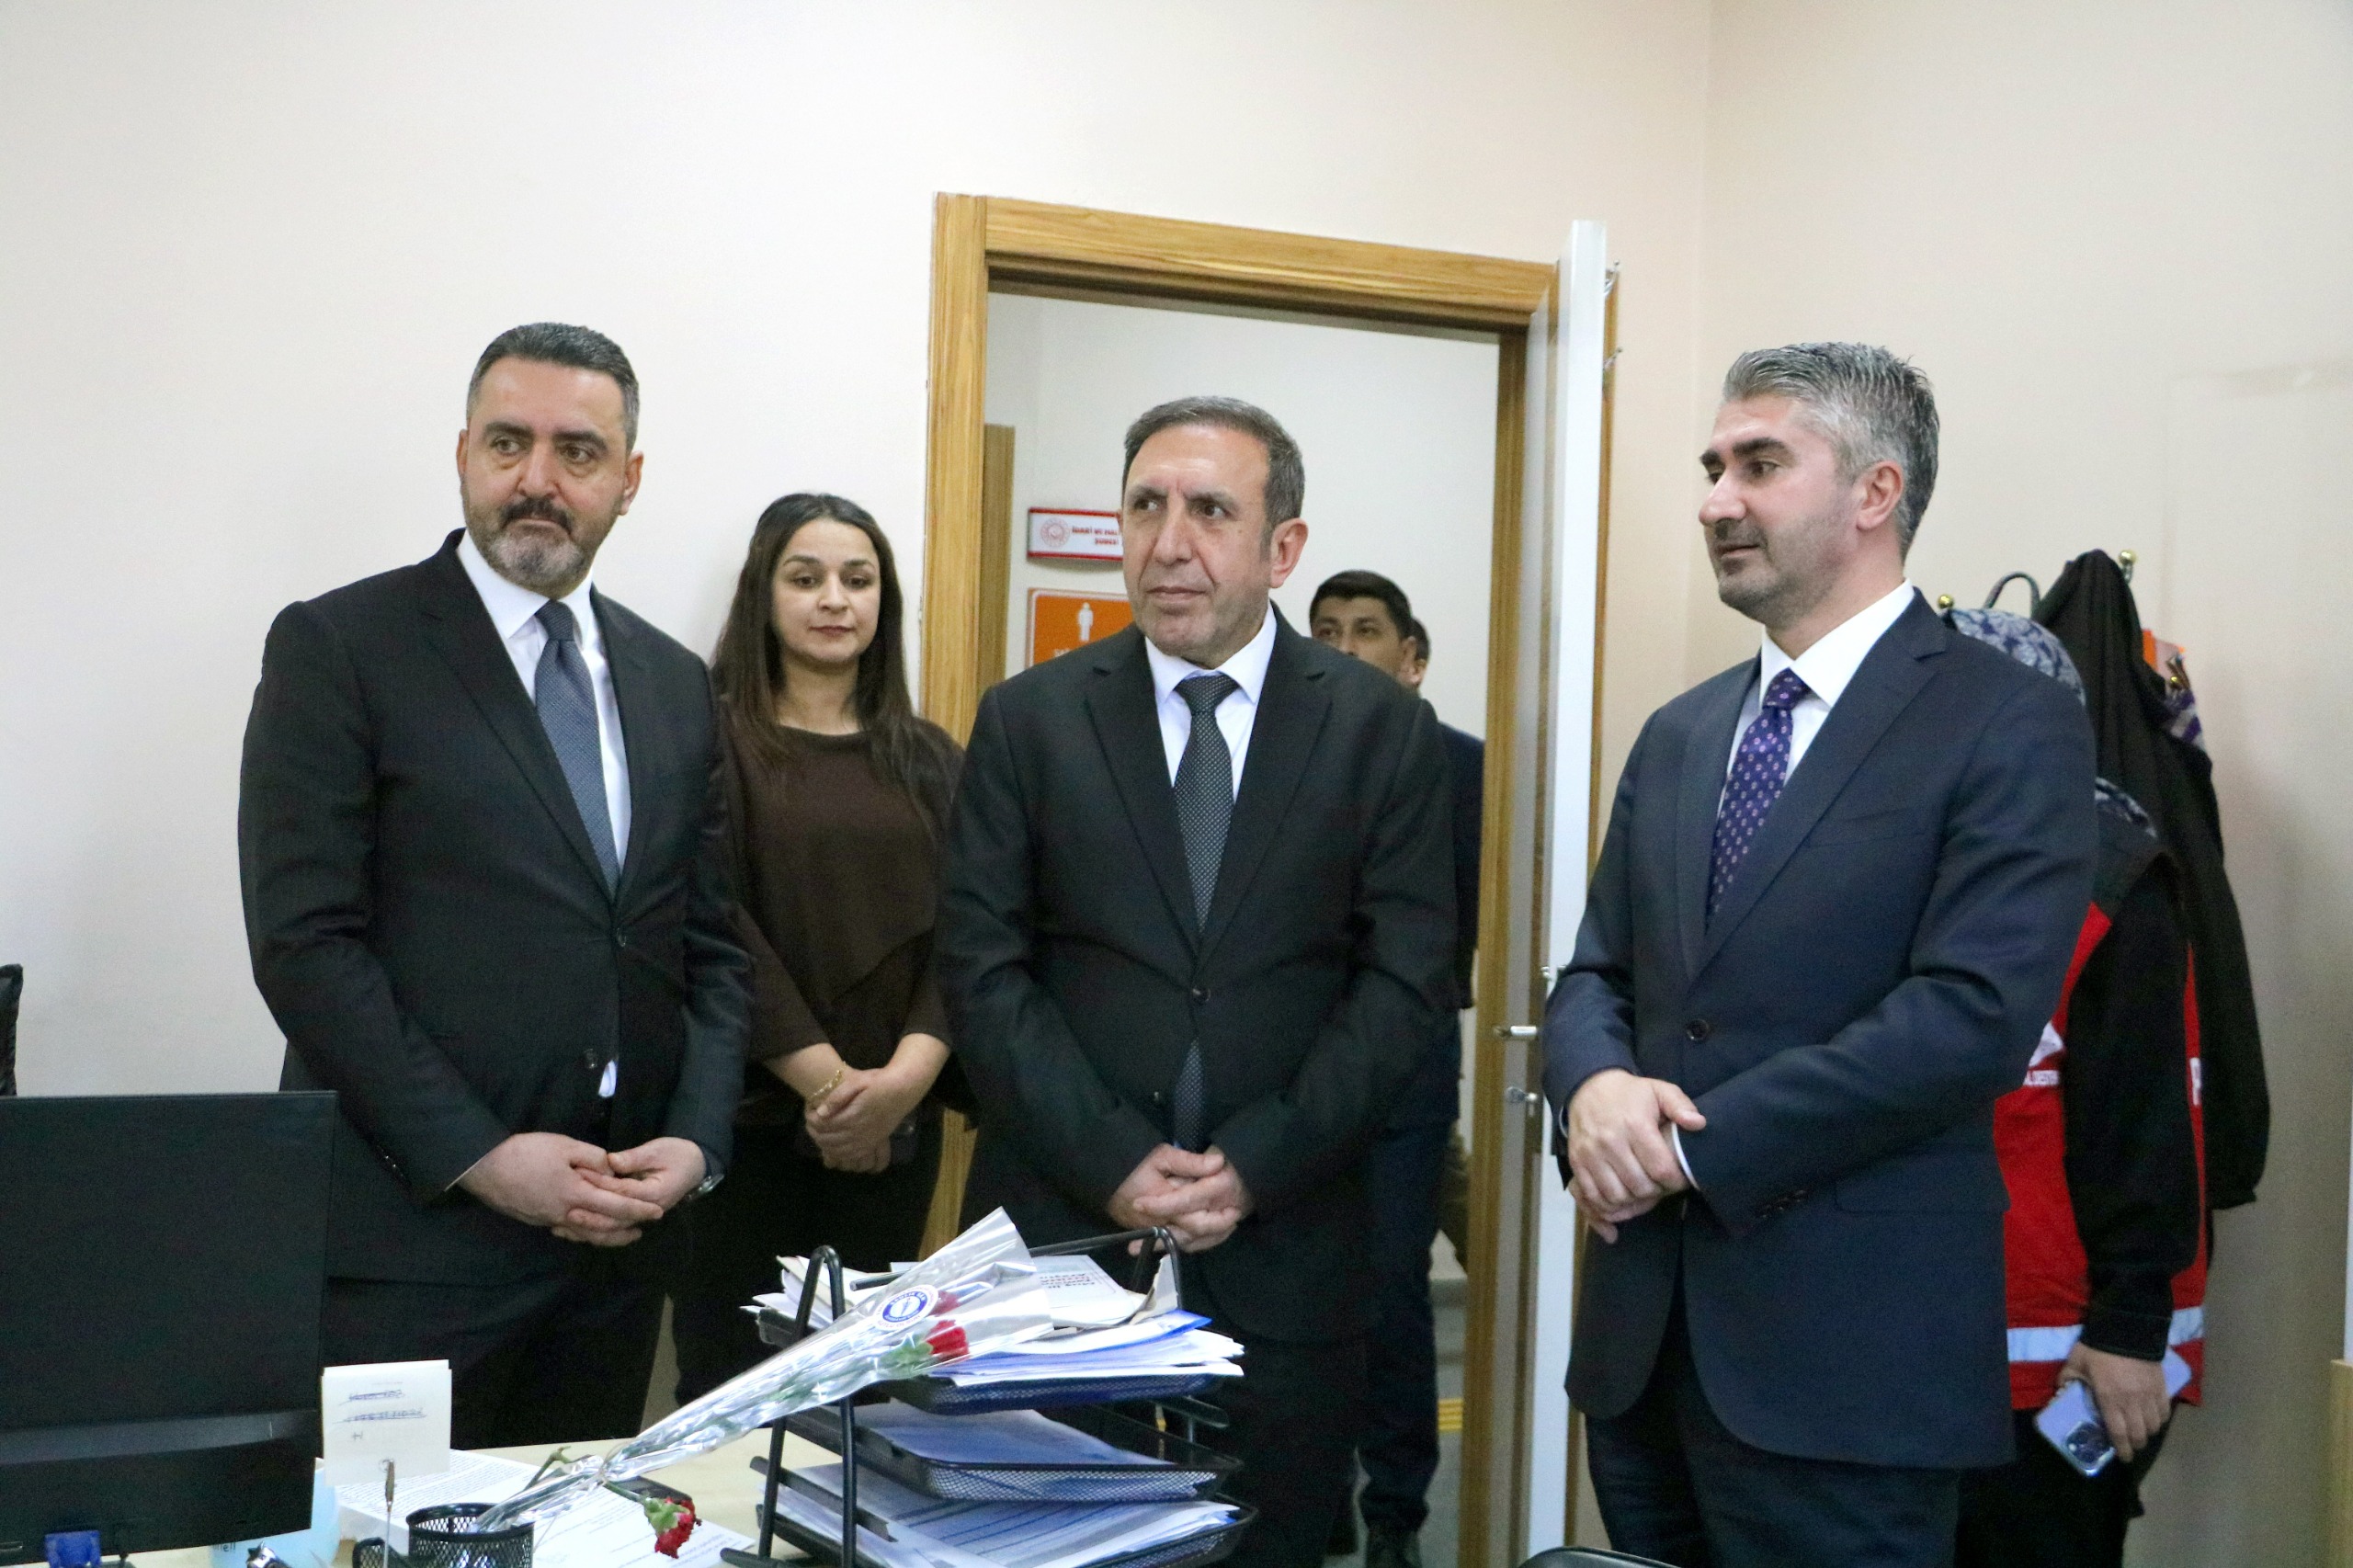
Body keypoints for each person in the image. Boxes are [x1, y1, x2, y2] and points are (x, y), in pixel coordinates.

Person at [1541, 343, 2096, 1566]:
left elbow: (1970, 1015)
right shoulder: (1682, 730)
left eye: (1758, 465)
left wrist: (1685, 1146)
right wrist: (1592, 1086)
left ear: (1874, 492)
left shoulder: (2006, 719)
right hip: (1645, 1354)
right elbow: (1598, 973)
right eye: (1712, 467)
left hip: (1852, 1370)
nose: (1715, 501)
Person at [938, 396, 1457, 1568]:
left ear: (1283, 547)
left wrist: (1258, 1160)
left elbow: (1405, 981)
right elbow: (980, 967)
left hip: (1290, 1245)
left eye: (1211, 510)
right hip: (1061, 1243)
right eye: (1146, 506)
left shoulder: (1378, 729)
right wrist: (1112, 1157)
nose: (1169, 542)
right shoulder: (1030, 719)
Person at [238, 323, 749, 1449]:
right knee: (383, 1532)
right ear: (464, 452)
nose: (537, 479)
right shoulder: (343, 645)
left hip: (614, 1253)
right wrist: (478, 1153)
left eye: (578, 451)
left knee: (578, 1525)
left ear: (629, 480)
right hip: (410, 1249)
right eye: (509, 442)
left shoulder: (671, 681)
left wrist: (699, 1140)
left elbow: (711, 942)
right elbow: (305, 943)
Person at [669, 493, 965, 1403]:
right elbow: (713, 924)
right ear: (763, 596)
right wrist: (835, 1093)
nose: (835, 598)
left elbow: (973, 930)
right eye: (806, 578)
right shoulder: (706, 742)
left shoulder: (932, 757)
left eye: (857, 579)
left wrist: (900, 1087)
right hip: (746, 1129)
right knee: (734, 1389)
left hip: (897, 1132)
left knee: (861, 1397)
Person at [1939, 609, 2206, 1568]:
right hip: (1913, 1349)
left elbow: (2145, 1126)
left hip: (2053, 1355)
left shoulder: (2108, 872)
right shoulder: (1915, 850)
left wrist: (2128, 1328)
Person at [1307, 572, 1482, 1568]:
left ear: (1411, 658)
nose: (1343, 647)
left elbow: (1463, 928)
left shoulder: (1466, 767)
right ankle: (1316, 1489)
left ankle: (1398, 1511)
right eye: (1326, 629)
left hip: (1407, 1065)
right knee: (1298, 1288)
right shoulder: (1281, 755)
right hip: (1292, 1064)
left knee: (1390, 1287)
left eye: (1365, 631)